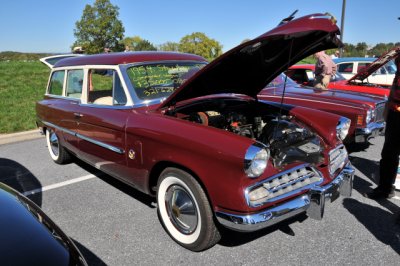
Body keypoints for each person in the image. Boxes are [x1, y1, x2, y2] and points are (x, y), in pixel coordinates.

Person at [364, 55, 400, 199]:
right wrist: (388, 106)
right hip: (395, 113)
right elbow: (396, 80)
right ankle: (385, 189)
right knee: (389, 155)